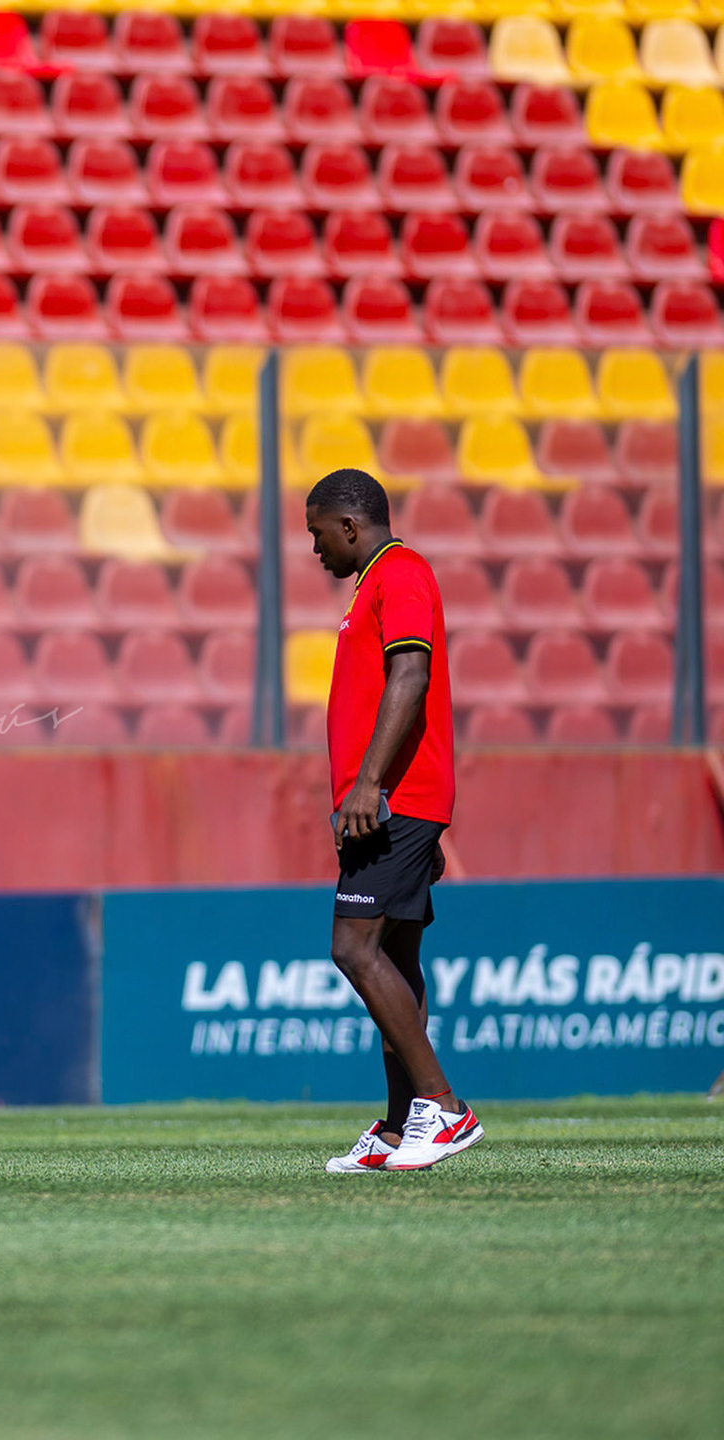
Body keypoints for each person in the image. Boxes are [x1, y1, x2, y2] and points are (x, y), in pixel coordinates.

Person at [306, 467, 482, 1174]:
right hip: (391, 803)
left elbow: (411, 675)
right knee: (397, 959)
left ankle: (441, 1107)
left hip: (391, 800)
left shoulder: (398, 572)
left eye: (319, 534)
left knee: (355, 948)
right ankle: (400, 1124)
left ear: (350, 526)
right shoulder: (375, 581)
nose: (316, 549)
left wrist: (371, 785)